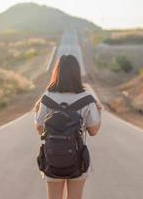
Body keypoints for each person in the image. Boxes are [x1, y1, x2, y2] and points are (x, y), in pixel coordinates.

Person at [34, 54, 102, 199]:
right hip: (78, 158)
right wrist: (99, 111)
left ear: (57, 72)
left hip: (52, 156)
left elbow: (40, 129)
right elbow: (93, 131)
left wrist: (37, 110)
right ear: (77, 73)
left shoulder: (47, 97)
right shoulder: (87, 98)